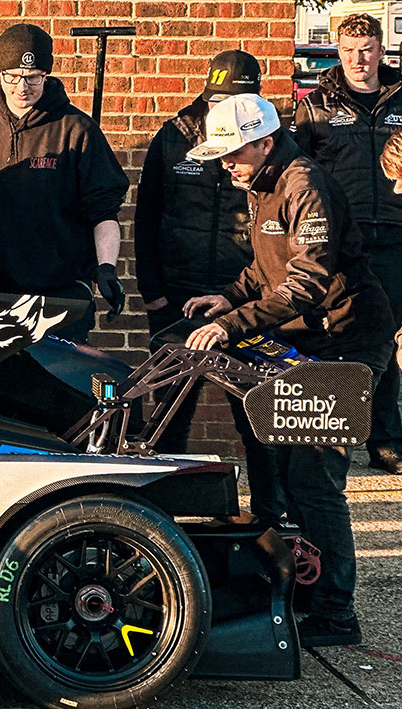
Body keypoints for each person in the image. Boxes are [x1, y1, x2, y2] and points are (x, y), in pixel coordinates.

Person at [183, 93, 393, 648]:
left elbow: (307, 282)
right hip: (314, 341)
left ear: (265, 142)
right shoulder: (263, 185)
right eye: (220, 154)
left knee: (315, 477)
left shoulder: (304, 183)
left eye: (234, 153)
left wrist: (232, 326)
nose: (225, 164)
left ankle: (336, 614)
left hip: (349, 338)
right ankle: (303, 590)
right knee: (287, 471)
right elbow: (264, 268)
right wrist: (224, 300)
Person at [135, 50, 280, 514]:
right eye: (217, 98)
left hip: (246, 297)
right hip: (180, 294)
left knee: (259, 418)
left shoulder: (268, 140)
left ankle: (269, 515)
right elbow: (146, 215)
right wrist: (153, 292)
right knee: (169, 414)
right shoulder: (174, 137)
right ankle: (158, 519)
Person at [0, 23, 129, 343]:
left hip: (60, 292)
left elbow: (103, 210)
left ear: (46, 74)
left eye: (33, 76)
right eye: (12, 75)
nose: (22, 86)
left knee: (61, 388)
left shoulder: (77, 130)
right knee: (2, 389)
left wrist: (106, 268)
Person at [292, 13, 402, 474]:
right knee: (343, 334)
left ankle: (385, 439)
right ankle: (335, 433)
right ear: (338, 52)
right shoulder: (316, 105)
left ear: (381, 51)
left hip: (397, 235)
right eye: (350, 50)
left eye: (367, 49)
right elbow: (300, 170)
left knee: (387, 336)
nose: (359, 59)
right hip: (346, 241)